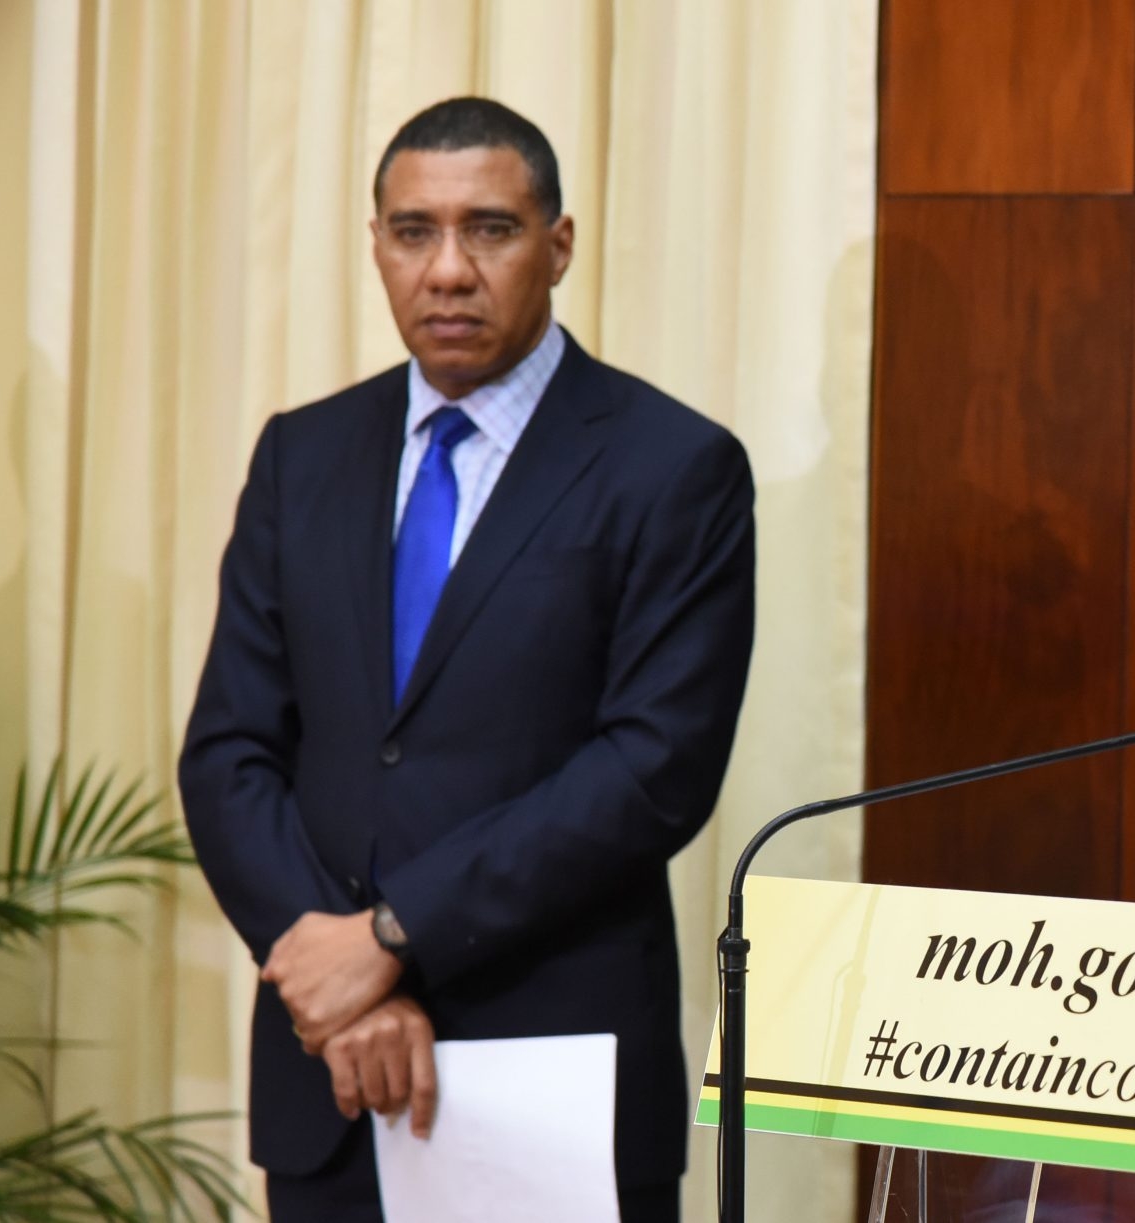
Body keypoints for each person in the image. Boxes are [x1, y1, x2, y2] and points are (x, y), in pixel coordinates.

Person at [179, 97, 754, 1222]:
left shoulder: (671, 464)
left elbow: (650, 769)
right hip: (330, 1076)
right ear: (376, 245)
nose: (446, 269)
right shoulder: (303, 454)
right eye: (412, 231)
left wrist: (391, 937)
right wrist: (336, 983)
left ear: (559, 245)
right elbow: (231, 749)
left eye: (489, 229)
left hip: (552, 1076)